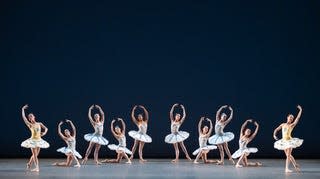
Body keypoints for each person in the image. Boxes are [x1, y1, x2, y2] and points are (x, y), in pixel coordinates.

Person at [273, 105, 303, 173]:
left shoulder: (291, 125)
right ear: (287, 117)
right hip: (283, 141)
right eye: (290, 117)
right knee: (287, 155)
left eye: (292, 118)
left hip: (289, 141)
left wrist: (300, 110)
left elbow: (298, 118)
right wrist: (274, 135)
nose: (291, 119)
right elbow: (276, 129)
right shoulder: (283, 124)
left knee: (288, 155)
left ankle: (286, 168)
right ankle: (295, 164)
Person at [21, 104, 49, 172]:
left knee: (36, 155)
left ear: (34, 117)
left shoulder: (39, 123)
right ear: (29, 119)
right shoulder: (30, 125)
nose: (30, 118)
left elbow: (46, 128)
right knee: (34, 155)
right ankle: (37, 168)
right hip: (33, 141)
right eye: (29, 117)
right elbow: (24, 118)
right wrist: (22, 110)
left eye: (31, 116)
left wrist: (44, 133)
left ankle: (29, 163)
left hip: (39, 140)